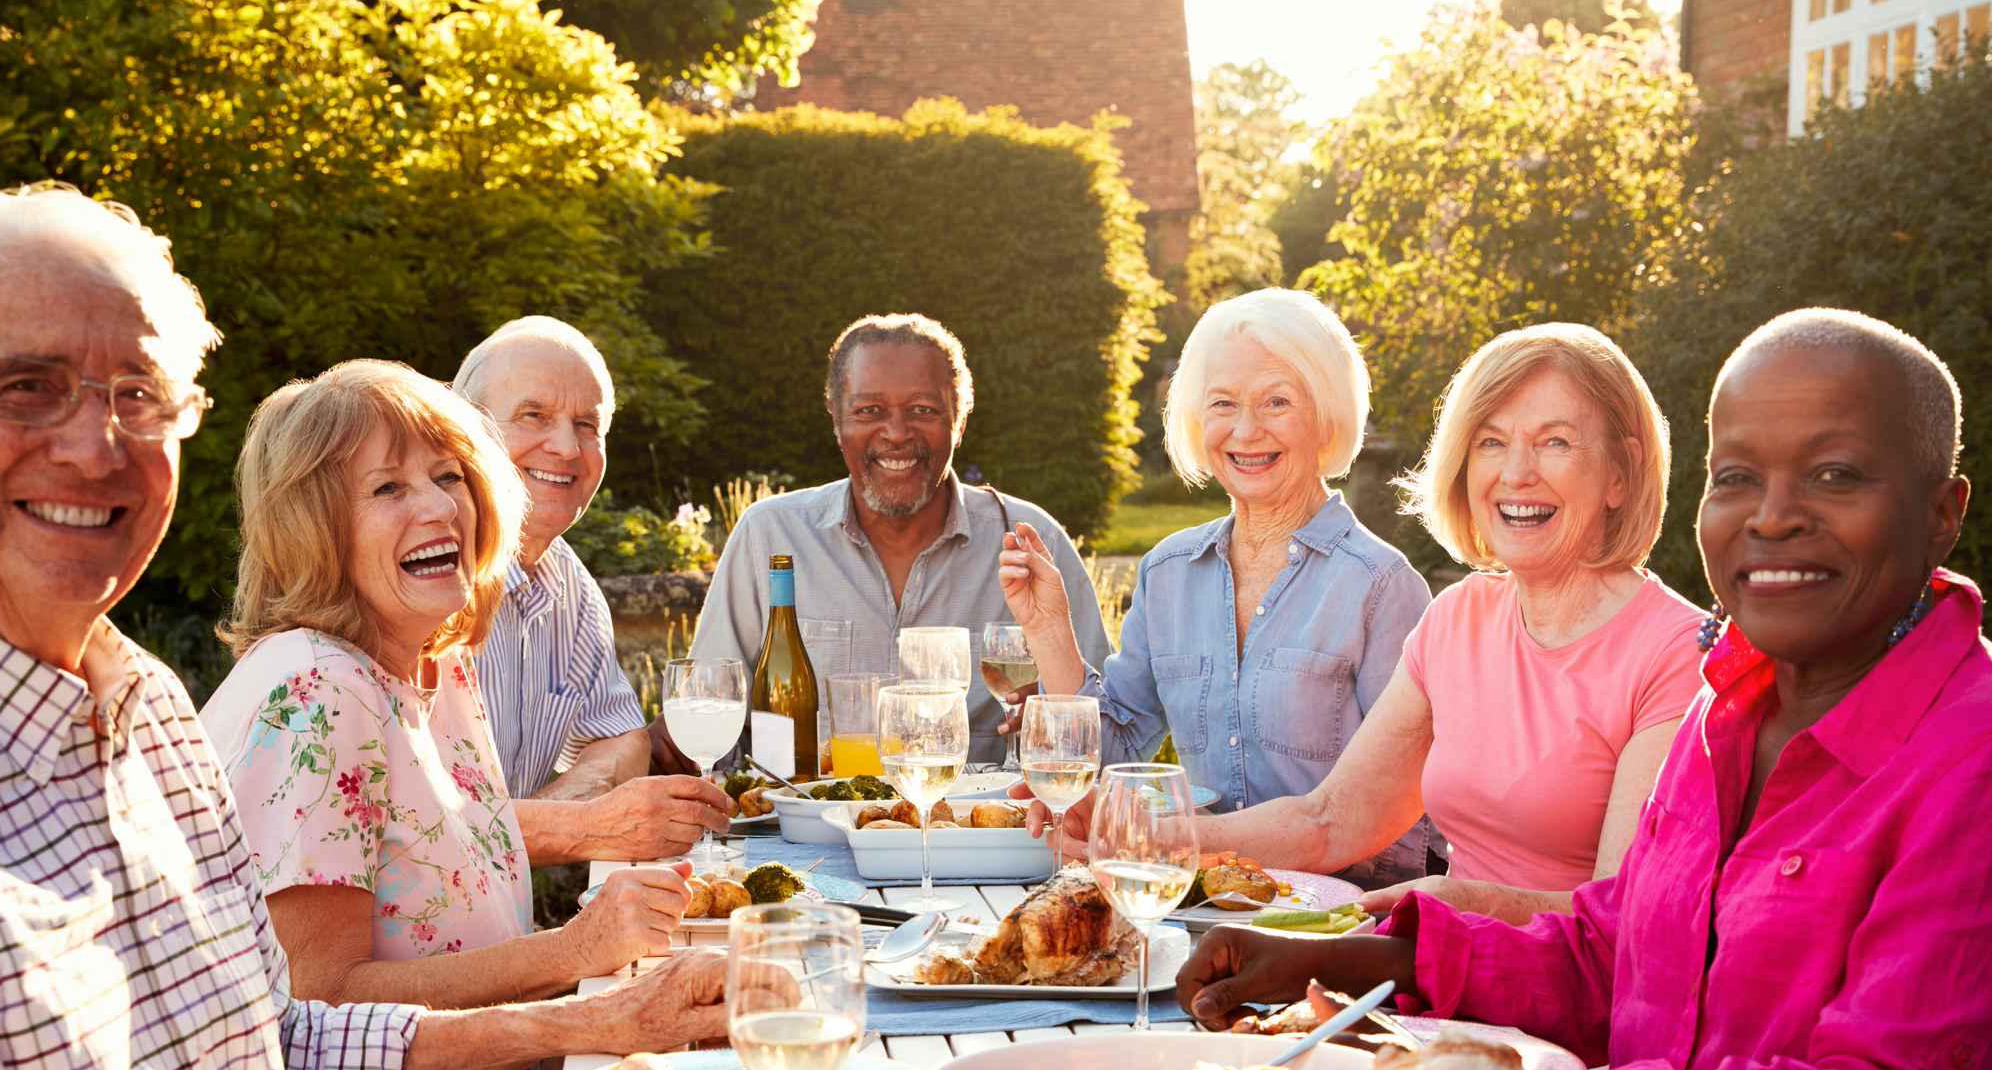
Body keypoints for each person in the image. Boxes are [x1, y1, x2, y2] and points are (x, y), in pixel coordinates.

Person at [0, 183, 784, 1070]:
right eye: (27, 386)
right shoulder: (302, 686)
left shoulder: (142, 716)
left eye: (138, 395)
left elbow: (275, 1051)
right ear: (315, 517)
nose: (97, 441)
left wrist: (602, 1018)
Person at [1176, 309, 1992, 1070]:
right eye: (1737, 476)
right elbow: (1615, 946)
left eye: (1833, 477)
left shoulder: (1965, 755)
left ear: (1940, 513)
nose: (1773, 518)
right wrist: (1375, 957)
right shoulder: (1725, 708)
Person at [199, 359, 701, 1070]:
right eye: (388, 487)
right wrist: (575, 953)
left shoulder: (436, 666)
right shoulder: (314, 690)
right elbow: (319, 1015)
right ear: (316, 524)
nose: (438, 509)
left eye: (449, 476)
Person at [1025, 323, 1703, 915]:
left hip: (1570, 1022)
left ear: (1622, 472)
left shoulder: (1676, 652)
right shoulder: (1460, 617)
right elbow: (1330, 820)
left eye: (1555, 442)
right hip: (1438, 977)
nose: (1516, 473)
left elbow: (1625, 920)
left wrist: (1462, 907)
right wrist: (1141, 833)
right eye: (1492, 443)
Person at [998, 288, 1432, 879]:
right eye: (1223, 403)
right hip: (1190, 902)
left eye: (1276, 401)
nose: (1246, 431)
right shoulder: (1168, 572)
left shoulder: (1382, 587)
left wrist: (1159, 840)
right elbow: (1116, 750)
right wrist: (1048, 629)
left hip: (1331, 921)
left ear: (1326, 414)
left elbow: (1400, 828)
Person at [692, 312, 1114, 764]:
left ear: (960, 421)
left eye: (923, 410)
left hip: (976, 829)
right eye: (868, 411)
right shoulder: (770, 535)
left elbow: (1105, 728)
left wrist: (1051, 724)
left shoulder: (1031, 542)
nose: (895, 433)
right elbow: (707, 719)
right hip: (799, 830)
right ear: (837, 421)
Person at [453, 317, 732, 862]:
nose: (565, 447)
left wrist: (558, 813)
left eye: (587, 424)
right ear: (467, 431)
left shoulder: (567, 586)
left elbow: (622, 740)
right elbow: (410, 830)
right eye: (533, 415)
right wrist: (580, 826)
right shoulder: (425, 579)